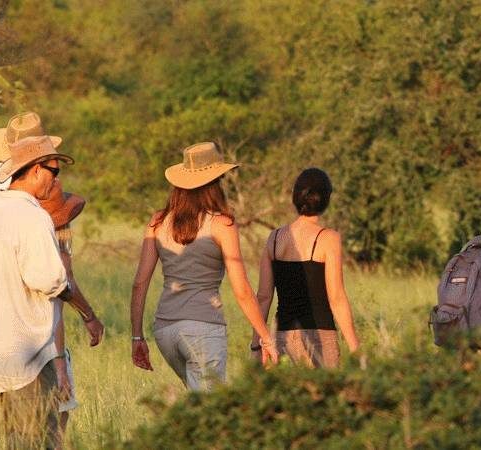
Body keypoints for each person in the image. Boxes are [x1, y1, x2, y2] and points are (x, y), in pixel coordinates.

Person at [0, 134, 74, 448]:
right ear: (36, 169)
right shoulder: (33, 216)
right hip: (27, 354)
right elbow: (50, 279)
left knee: (3, 438)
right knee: (38, 440)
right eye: (54, 171)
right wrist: (68, 283)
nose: (56, 180)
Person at [130, 142, 278, 390]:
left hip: (165, 331)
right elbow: (241, 289)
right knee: (210, 414)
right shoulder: (222, 224)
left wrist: (137, 336)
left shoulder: (159, 221)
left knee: (196, 404)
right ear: (214, 182)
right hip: (203, 330)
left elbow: (139, 283)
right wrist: (266, 338)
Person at [254, 168, 360, 368]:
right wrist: (355, 347)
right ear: (326, 198)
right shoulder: (329, 239)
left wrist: (256, 345)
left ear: (296, 197)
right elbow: (336, 297)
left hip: (282, 337)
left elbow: (263, 297)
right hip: (320, 336)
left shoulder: (274, 238)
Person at [38, 178, 103, 442]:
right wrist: (61, 367)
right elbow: (55, 315)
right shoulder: (55, 250)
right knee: (56, 431)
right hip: (46, 348)